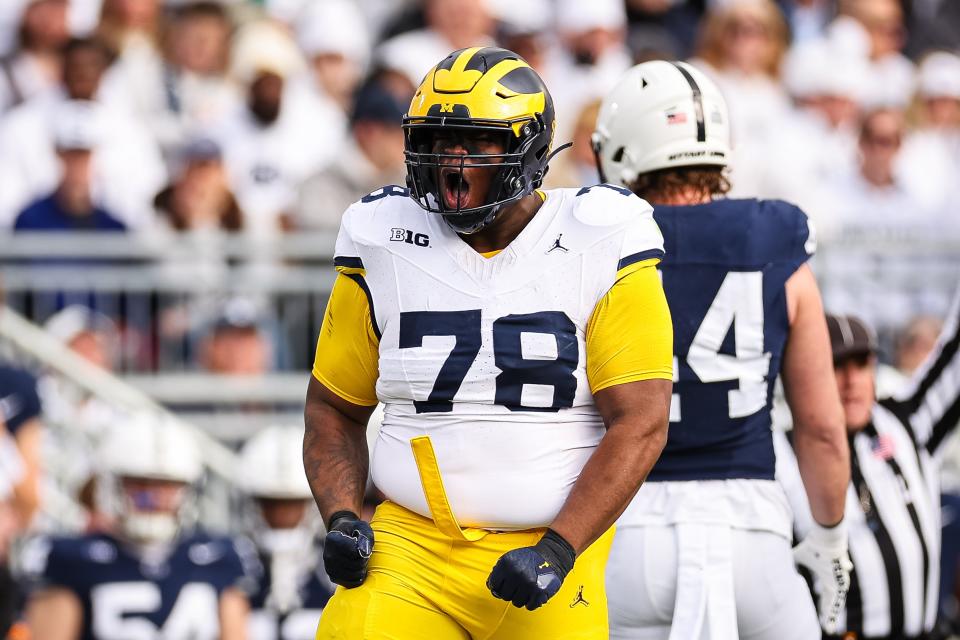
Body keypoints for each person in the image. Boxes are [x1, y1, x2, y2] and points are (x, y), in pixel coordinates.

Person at [304, 47, 673, 638]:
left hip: (550, 546)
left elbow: (643, 421)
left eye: (476, 142)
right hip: (412, 546)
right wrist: (343, 514)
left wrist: (559, 548)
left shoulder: (600, 238)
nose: (451, 162)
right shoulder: (384, 237)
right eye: (436, 140)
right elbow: (333, 408)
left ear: (527, 148)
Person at [592, 60, 852, 639]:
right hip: (751, 534)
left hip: (625, 528)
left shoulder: (595, 240)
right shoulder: (772, 236)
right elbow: (821, 428)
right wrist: (830, 538)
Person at [775, 299, 960, 639]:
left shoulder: (907, 423)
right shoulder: (778, 458)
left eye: (861, 364)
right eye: (836, 365)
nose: (851, 381)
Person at [22, 412, 257, 639]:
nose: (153, 497)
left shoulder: (217, 556)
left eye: (166, 486)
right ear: (112, 484)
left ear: (188, 489)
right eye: (139, 484)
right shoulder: (73, 559)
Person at [240, 425, 334, 640]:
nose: (281, 516)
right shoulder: (234, 564)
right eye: (270, 504)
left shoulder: (333, 569)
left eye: (292, 505)